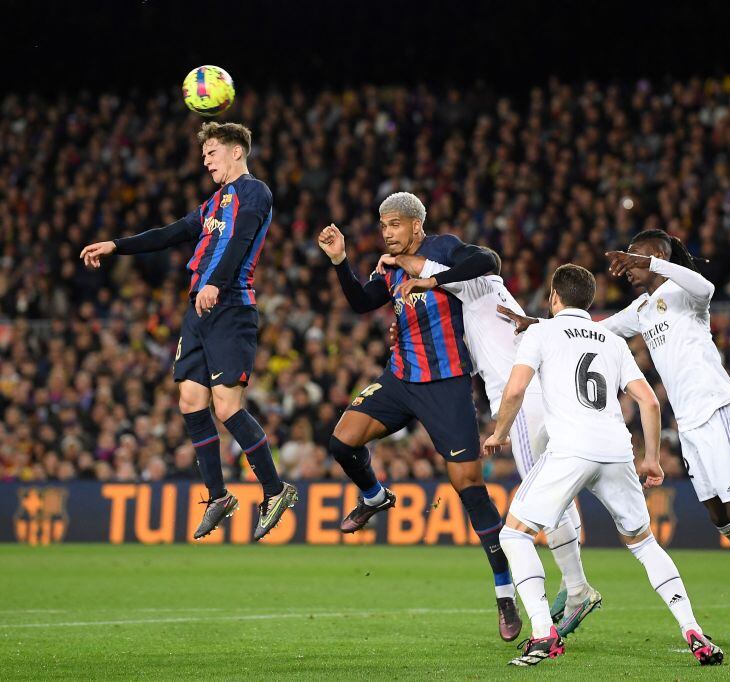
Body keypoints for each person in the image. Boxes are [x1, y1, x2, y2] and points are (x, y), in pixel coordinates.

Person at [503, 229, 730, 654]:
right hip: (689, 426)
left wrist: (653, 265)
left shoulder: (687, 292)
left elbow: (707, 285)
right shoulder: (644, 309)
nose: (627, 267)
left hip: (718, 409)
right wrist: (536, 325)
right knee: (722, 521)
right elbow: (589, 329)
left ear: (659, 256)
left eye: (635, 258)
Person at [483, 264, 723, 667]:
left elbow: (517, 387)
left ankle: (543, 633)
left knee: (515, 536)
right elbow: (648, 400)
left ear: (555, 298)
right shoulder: (611, 340)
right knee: (645, 544)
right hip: (616, 450)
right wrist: (650, 459)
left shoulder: (541, 331)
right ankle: (692, 628)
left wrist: (499, 432)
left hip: (571, 448)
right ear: (589, 301)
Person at [317, 192, 521, 641]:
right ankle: (374, 497)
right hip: (400, 380)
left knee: (469, 485)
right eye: (382, 225)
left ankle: (504, 590)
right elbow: (360, 302)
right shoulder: (387, 266)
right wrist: (340, 262)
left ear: (416, 225)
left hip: (447, 383)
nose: (386, 232)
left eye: (393, 224)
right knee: (342, 441)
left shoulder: (443, 249)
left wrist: (431, 279)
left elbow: (488, 260)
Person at [80, 121, 297, 542]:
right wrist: (116, 245)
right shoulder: (213, 203)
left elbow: (239, 239)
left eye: (212, 151)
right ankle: (218, 495)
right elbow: (171, 234)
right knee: (190, 400)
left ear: (237, 151)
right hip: (199, 307)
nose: (205, 159)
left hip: (230, 304)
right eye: (204, 154)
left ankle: (274, 490)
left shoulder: (254, 192)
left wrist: (215, 281)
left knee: (228, 407)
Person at [374, 249, 598, 637]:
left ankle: (577, 588)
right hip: (545, 397)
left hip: (523, 402)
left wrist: (399, 262)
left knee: (543, 496)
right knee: (557, 493)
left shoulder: (472, 280)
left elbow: (485, 260)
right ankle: (573, 580)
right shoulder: (479, 300)